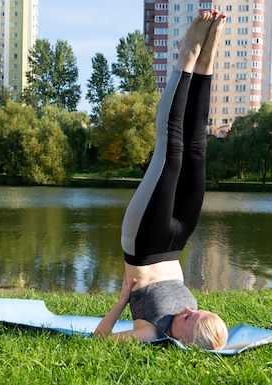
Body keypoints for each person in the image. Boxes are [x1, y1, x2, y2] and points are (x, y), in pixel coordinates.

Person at [94, 11, 228, 350]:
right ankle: (207, 58)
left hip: (144, 242)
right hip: (177, 241)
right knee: (197, 148)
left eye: (186, 318)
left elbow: (100, 340)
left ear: (179, 338)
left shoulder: (152, 332)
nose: (188, 308)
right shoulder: (193, 320)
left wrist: (124, 300)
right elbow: (191, 314)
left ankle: (186, 57)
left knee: (171, 148)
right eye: (196, 311)